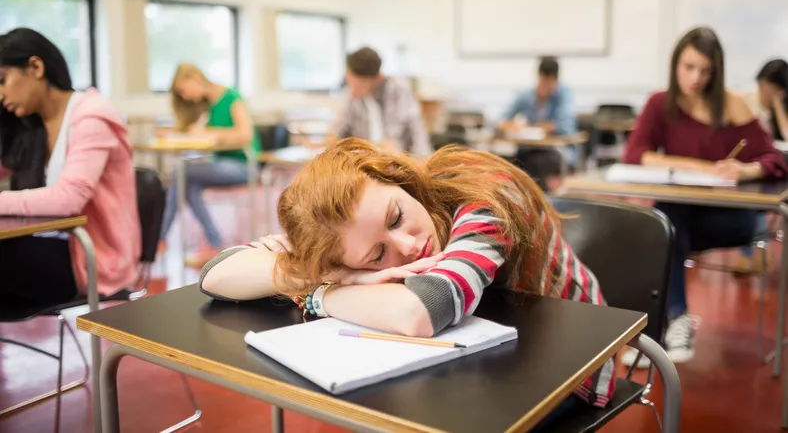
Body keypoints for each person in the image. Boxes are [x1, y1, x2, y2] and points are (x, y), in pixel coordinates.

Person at [198, 138, 616, 423]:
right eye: (376, 254)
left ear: (396, 177)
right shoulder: (343, 229)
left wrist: (320, 292)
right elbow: (218, 273)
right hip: (473, 360)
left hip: (567, 361)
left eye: (397, 216)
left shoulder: (487, 194)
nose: (408, 244)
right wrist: (318, 268)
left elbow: (423, 310)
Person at [621, 27, 788, 367]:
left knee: (662, 230)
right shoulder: (660, 103)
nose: (695, 78)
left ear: (716, 71)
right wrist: (702, 167)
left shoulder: (732, 105)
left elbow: (775, 159)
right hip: (682, 218)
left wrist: (746, 170)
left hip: (732, 219)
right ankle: (674, 321)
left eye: (705, 70)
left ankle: (659, 328)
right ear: (675, 64)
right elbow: (635, 153)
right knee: (665, 219)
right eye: (688, 67)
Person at [0, 28, 140, 307]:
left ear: (35, 67)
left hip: (91, 258)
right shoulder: (31, 126)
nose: (1, 94)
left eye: (2, 80)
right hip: (51, 246)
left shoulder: (92, 117)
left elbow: (68, 198)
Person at [158, 63, 260, 267]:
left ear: (195, 78)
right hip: (221, 165)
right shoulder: (208, 106)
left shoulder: (231, 97)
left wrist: (211, 133)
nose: (185, 96)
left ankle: (160, 237)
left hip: (244, 166)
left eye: (184, 90)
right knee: (188, 184)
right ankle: (214, 243)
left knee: (182, 172)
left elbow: (245, 135)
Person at [734, 59, 788, 273]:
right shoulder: (749, 102)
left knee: (765, 200)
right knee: (752, 199)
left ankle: (758, 251)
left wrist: (778, 105)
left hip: (781, 172)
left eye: (769, 89)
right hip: (757, 171)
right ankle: (752, 252)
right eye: (761, 87)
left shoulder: (780, 107)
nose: (762, 92)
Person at [330, 46, 431, 156]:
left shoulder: (397, 90)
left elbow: (393, 141)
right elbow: (338, 129)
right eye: (349, 79)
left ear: (377, 78)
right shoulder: (354, 96)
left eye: (358, 83)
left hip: (403, 160)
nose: (352, 89)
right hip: (365, 161)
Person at [500, 56, 576, 192]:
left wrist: (537, 127)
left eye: (549, 82)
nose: (545, 86)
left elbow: (565, 127)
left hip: (555, 151)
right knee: (510, 162)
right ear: (538, 77)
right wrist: (511, 125)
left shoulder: (564, 95)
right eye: (542, 81)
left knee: (533, 164)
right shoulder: (526, 95)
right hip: (528, 149)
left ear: (556, 81)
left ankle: (541, 201)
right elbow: (501, 120)